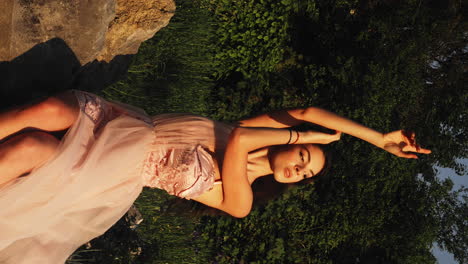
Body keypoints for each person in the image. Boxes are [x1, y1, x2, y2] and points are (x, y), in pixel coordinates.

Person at [0, 90, 431, 263]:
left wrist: (304, 135)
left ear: (294, 183)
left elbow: (245, 139)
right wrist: (377, 139)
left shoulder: (238, 198)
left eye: (305, 173)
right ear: (285, 146)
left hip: (112, 169)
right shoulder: (246, 128)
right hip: (126, 124)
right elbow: (306, 111)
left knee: (31, 147)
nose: (300, 167)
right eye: (303, 155)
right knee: (49, 111)